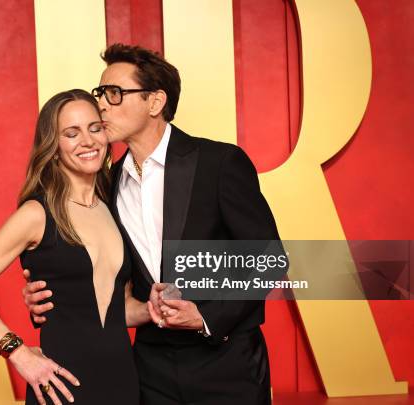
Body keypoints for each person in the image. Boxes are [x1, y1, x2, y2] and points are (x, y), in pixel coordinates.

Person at [23, 44, 280, 405]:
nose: (102, 105)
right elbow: (102, 272)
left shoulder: (218, 163)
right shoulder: (106, 185)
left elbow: (269, 259)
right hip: (149, 367)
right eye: (101, 93)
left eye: (115, 94)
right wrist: (51, 294)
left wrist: (205, 317)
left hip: (226, 362)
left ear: (155, 102)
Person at [0, 89, 145, 405]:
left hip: (123, 381)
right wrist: (18, 353)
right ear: (53, 147)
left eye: (94, 128)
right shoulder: (37, 214)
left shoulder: (114, 205)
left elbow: (117, 310)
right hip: (62, 384)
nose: (87, 140)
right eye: (71, 133)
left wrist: (156, 309)